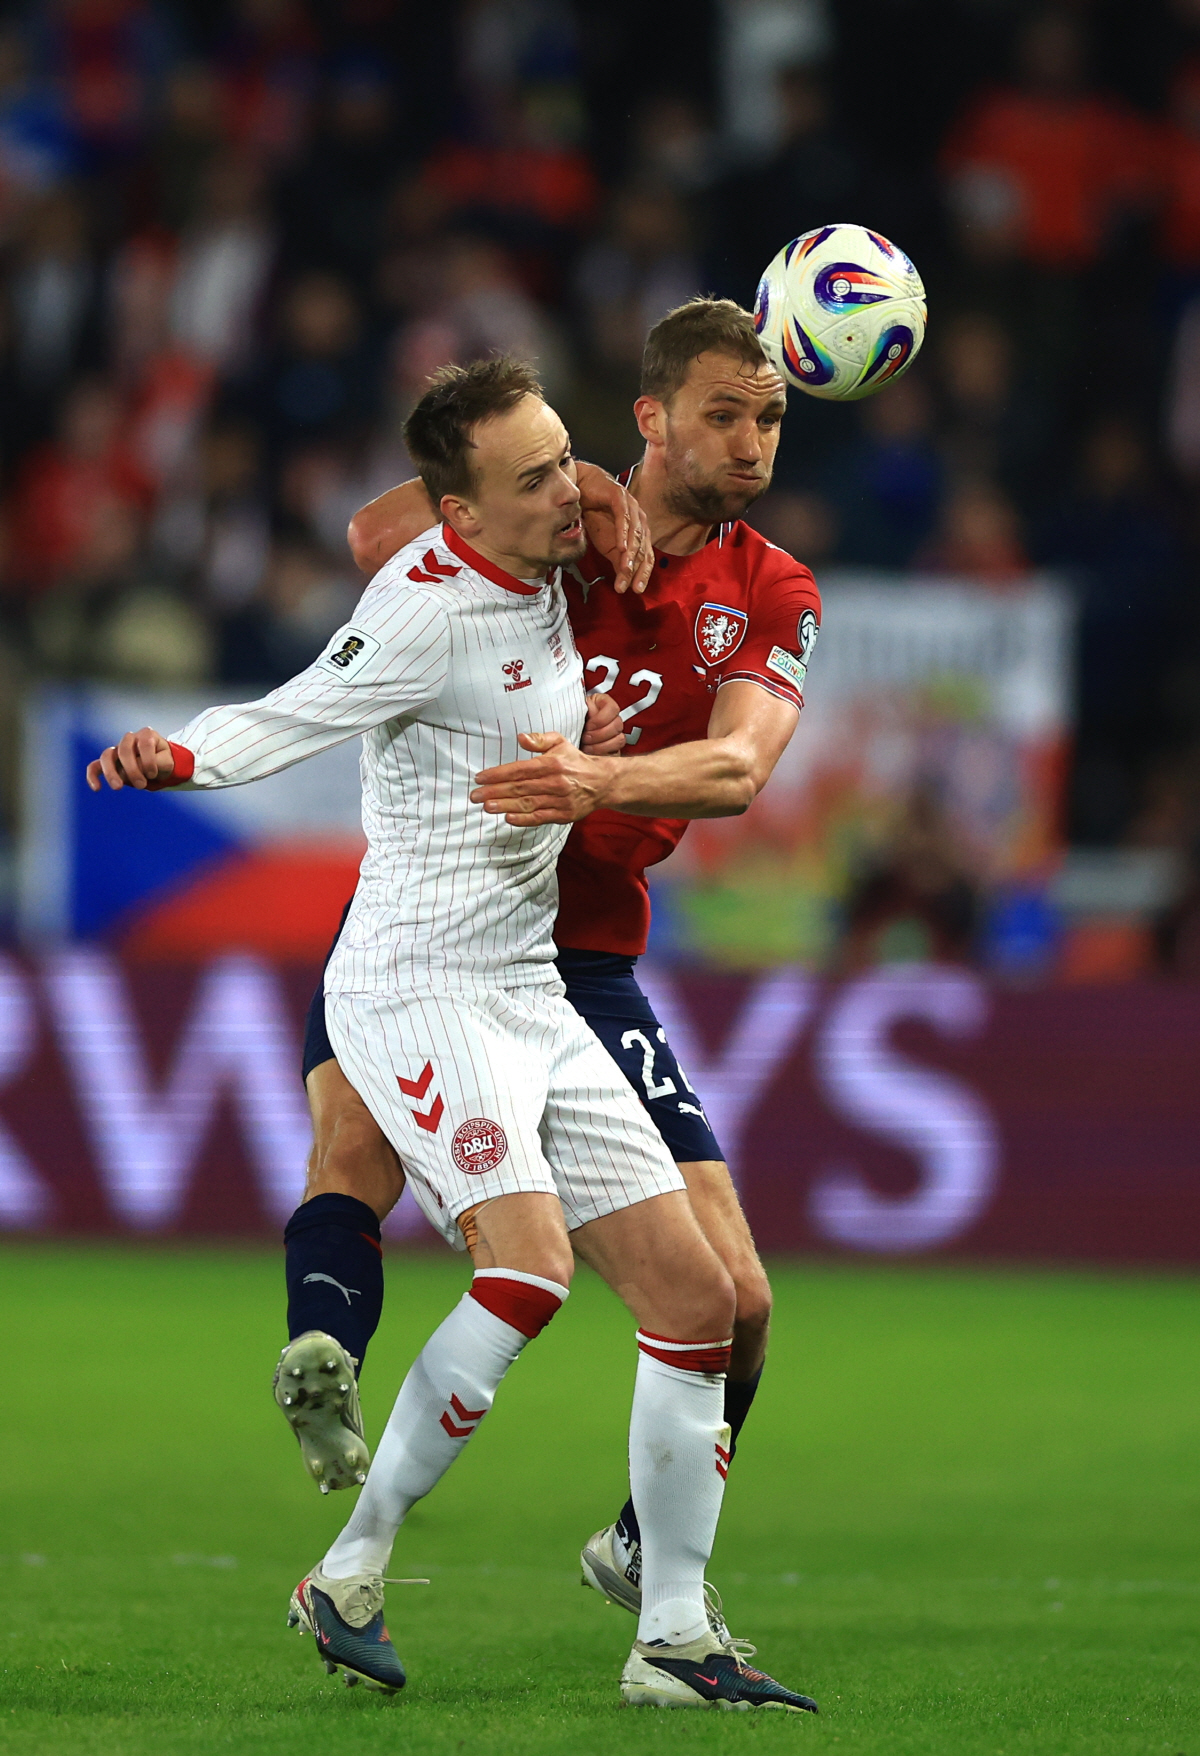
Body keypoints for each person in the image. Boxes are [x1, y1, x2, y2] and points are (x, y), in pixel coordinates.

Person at [87, 356, 817, 1715]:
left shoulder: (550, 573)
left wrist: (586, 724)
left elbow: (585, 644)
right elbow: (293, 713)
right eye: (537, 477)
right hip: (414, 979)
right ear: (460, 513)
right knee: (527, 1269)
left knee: (701, 1302)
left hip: (530, 982)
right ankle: (348, 1570)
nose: (573, 493)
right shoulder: (421, 607)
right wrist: (175, 756)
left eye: (567, 461)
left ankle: (669, 1636)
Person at [292, 299, 822, 1630]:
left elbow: (740, 766)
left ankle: (643, 1546)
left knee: (739, 1304)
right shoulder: (551, 512)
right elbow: (371, 539)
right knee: (353, 1159)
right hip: (440, 932)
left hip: (582, 962)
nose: (752, 440)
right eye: (724, 413)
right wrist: (577, 484)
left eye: (769, 417)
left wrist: (597, 777)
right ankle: (326, 1402)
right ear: (651, 418)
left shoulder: (770, 587)